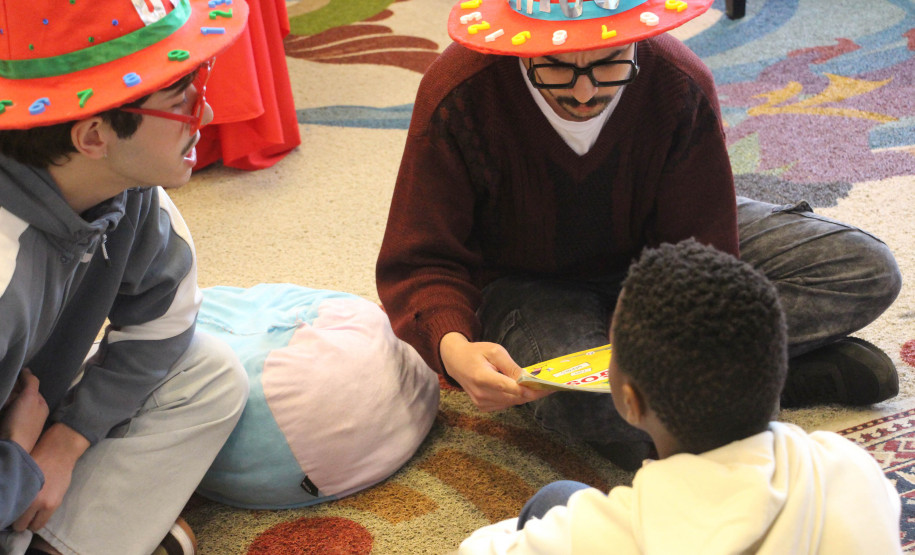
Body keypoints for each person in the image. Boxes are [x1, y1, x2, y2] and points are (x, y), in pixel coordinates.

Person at [376, 0, 902, 470]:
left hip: (666, 253)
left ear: (637, 38)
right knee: (584, 401)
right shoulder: (461, 91)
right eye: (556, 68)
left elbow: (704, 246)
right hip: (530, 282)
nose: (583, 93)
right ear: (520, 45)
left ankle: (674, 385)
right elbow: (421, 258)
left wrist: (666, 322)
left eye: (608, 65)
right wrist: (451, 345)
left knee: (865, 269)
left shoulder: (677, 80)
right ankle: (765, 379)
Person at [458, 239, 903, 554]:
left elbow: (474, 549)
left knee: (552, 500)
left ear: (629, 400)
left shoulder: (606, 533)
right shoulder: (854, 468)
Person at [0, 1, 251, 553]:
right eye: (177, 99)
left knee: (207, 371)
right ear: (93, 137)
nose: (203, 116)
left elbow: (166, 319)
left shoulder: (127, 190)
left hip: (22, 431)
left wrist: (65, 443)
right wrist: (18, 462)